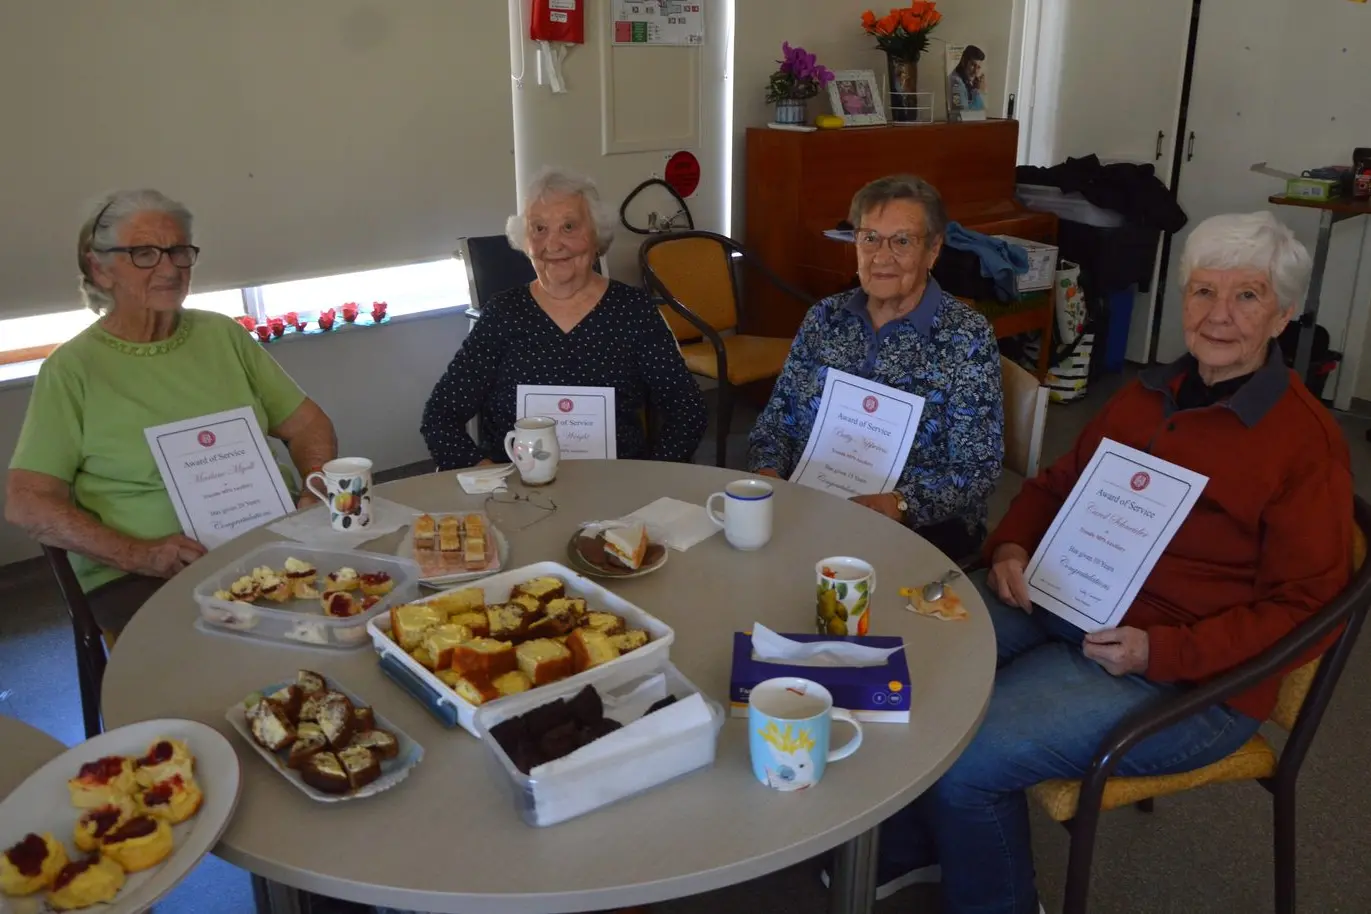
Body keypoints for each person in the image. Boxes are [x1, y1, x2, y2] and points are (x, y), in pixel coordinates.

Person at [871, 212, 1352, 913]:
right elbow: (1056, 483)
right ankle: (919, 850)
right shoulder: (1147, 393)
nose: (1217, 316)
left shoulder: (1303, 444)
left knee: (967, 755)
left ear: (1281, 315)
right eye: (1201, 292)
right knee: (902, 664)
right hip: (1067, 603)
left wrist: (1164, 650)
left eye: (1245, 296)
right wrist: (1010, 545)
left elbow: (1305, 612)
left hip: (1189, 676)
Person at [5, 189, 337, 634]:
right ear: (99, 268)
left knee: (371, 609)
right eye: (144, 253)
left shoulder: (222, 335)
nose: (169, 268)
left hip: (271, 541)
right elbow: (27, 502)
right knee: (228, 663)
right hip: (144, 574)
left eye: (179, 251)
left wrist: (314, 485)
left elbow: (309, 425)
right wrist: (138, 553)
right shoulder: (72, 370)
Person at [747, 174, 1004, 559]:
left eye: (902, 241)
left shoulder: (966, 337)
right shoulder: (825, 317)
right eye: (869, 238)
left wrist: (898, 504)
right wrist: (768, 474)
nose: (881, 257)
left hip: (916, 528)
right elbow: (775, 423)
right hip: (809, 505)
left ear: (933, 250)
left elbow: (977, 466)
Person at [421, 166, 707, 469]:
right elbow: (440, 416)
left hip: (613, 495)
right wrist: (485, 475)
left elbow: (687, 410)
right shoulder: (502, 314)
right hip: (516, 494)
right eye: (539, 229)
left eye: (569, 227)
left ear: (596, 235)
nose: (553, 245)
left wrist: (650, 478)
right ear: (525, 241)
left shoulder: (632, 311)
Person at [949, 45, 986, 113]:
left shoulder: (967, 81)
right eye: (973, 65)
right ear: (963, 61)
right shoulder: (956, 82)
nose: (975, 72)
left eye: (978, 67)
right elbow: (964, 114)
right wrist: (977, 91)